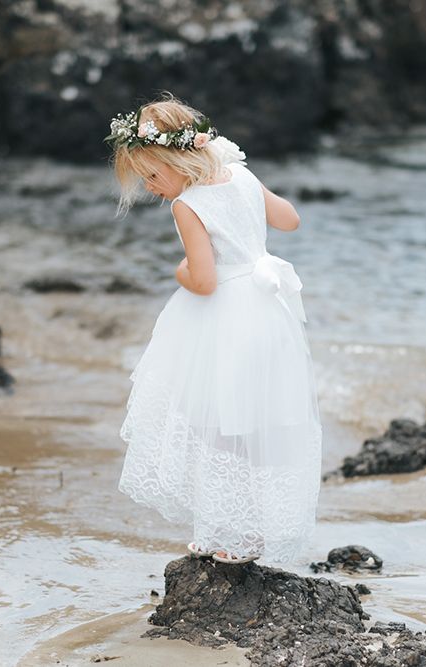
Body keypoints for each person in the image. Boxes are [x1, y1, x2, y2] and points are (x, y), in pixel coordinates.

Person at [107, 92, 322, 565]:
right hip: (268, 311)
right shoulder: (240, 174)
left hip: (225, 316)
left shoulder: (187, 205)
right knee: (248, 420)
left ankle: (240, 533)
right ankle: (228, 524)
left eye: (152, 174)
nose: (150, 186)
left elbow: (203, 282)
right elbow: (289, 218)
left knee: (217, 425)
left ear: (175, 159)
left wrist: (179, 271)